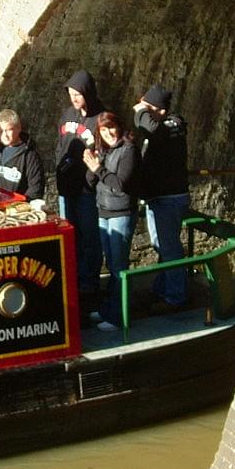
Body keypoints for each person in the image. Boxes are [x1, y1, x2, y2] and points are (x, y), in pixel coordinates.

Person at [133, 83, 190, 313]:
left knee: (170, 248)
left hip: (170, 197)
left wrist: (140, 111)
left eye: (148, 106)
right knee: (162, 246)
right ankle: (162, 287)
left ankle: (176, 297)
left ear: (161, 110)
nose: (141, 108)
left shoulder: (173, 124)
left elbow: (153, 130)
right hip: (158, 197)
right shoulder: (157, 126)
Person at [83, 112, 141, 332]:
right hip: (104, 211)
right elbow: (91, 183)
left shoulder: (129, 150)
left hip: (122, 212)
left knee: (119, 265)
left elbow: (120, 183)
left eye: (111, 128)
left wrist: (98, 169)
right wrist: (91, 166)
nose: (108, 134)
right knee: (110, 263)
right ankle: (108, 309)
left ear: (119, 126)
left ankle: (118, 316)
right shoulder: (105, 150)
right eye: (104, 131)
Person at [55, 70, 105, 305]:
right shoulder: (67, 115)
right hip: (67, 188)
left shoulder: (101, 118)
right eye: (71, 94)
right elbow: (60, 145)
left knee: (89, 238)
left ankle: (89, 283)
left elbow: (104, 153)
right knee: (70, 237)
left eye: (78, 94)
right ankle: (73, 281)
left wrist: (91, 180)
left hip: (87, 191)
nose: (74, 98)